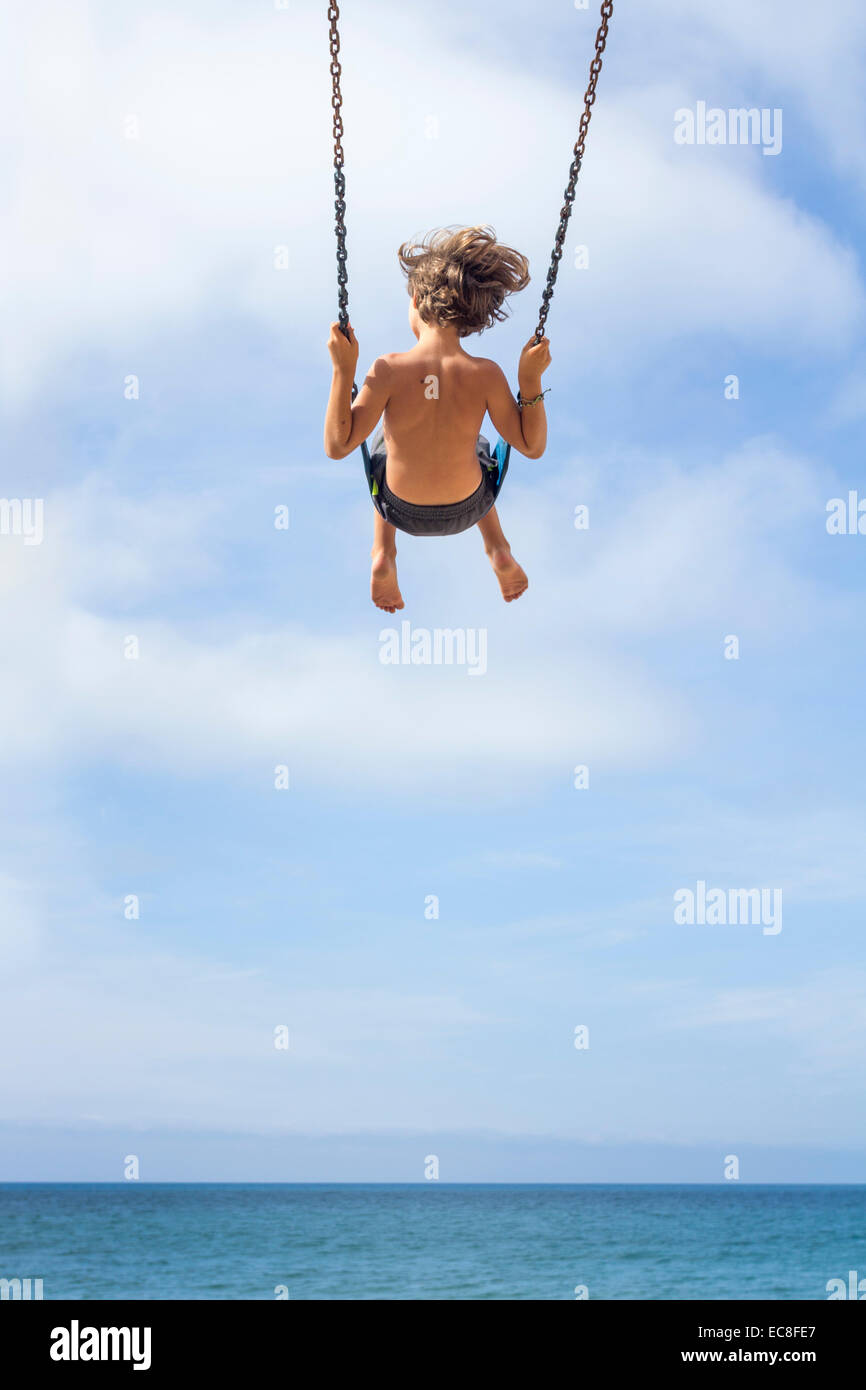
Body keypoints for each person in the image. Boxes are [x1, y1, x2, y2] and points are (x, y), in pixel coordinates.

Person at [324, 226, 551, 611]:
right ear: (469, 314)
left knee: (383, 442)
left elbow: (337, 446)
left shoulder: (388, 370)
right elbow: (531, 447)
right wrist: (529, 380)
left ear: (416, 299)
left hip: (398, 506)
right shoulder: (486, 374)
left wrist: (343, 371)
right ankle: (497, 547)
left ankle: (383, 552)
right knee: (480, 452)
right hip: (469, 506)